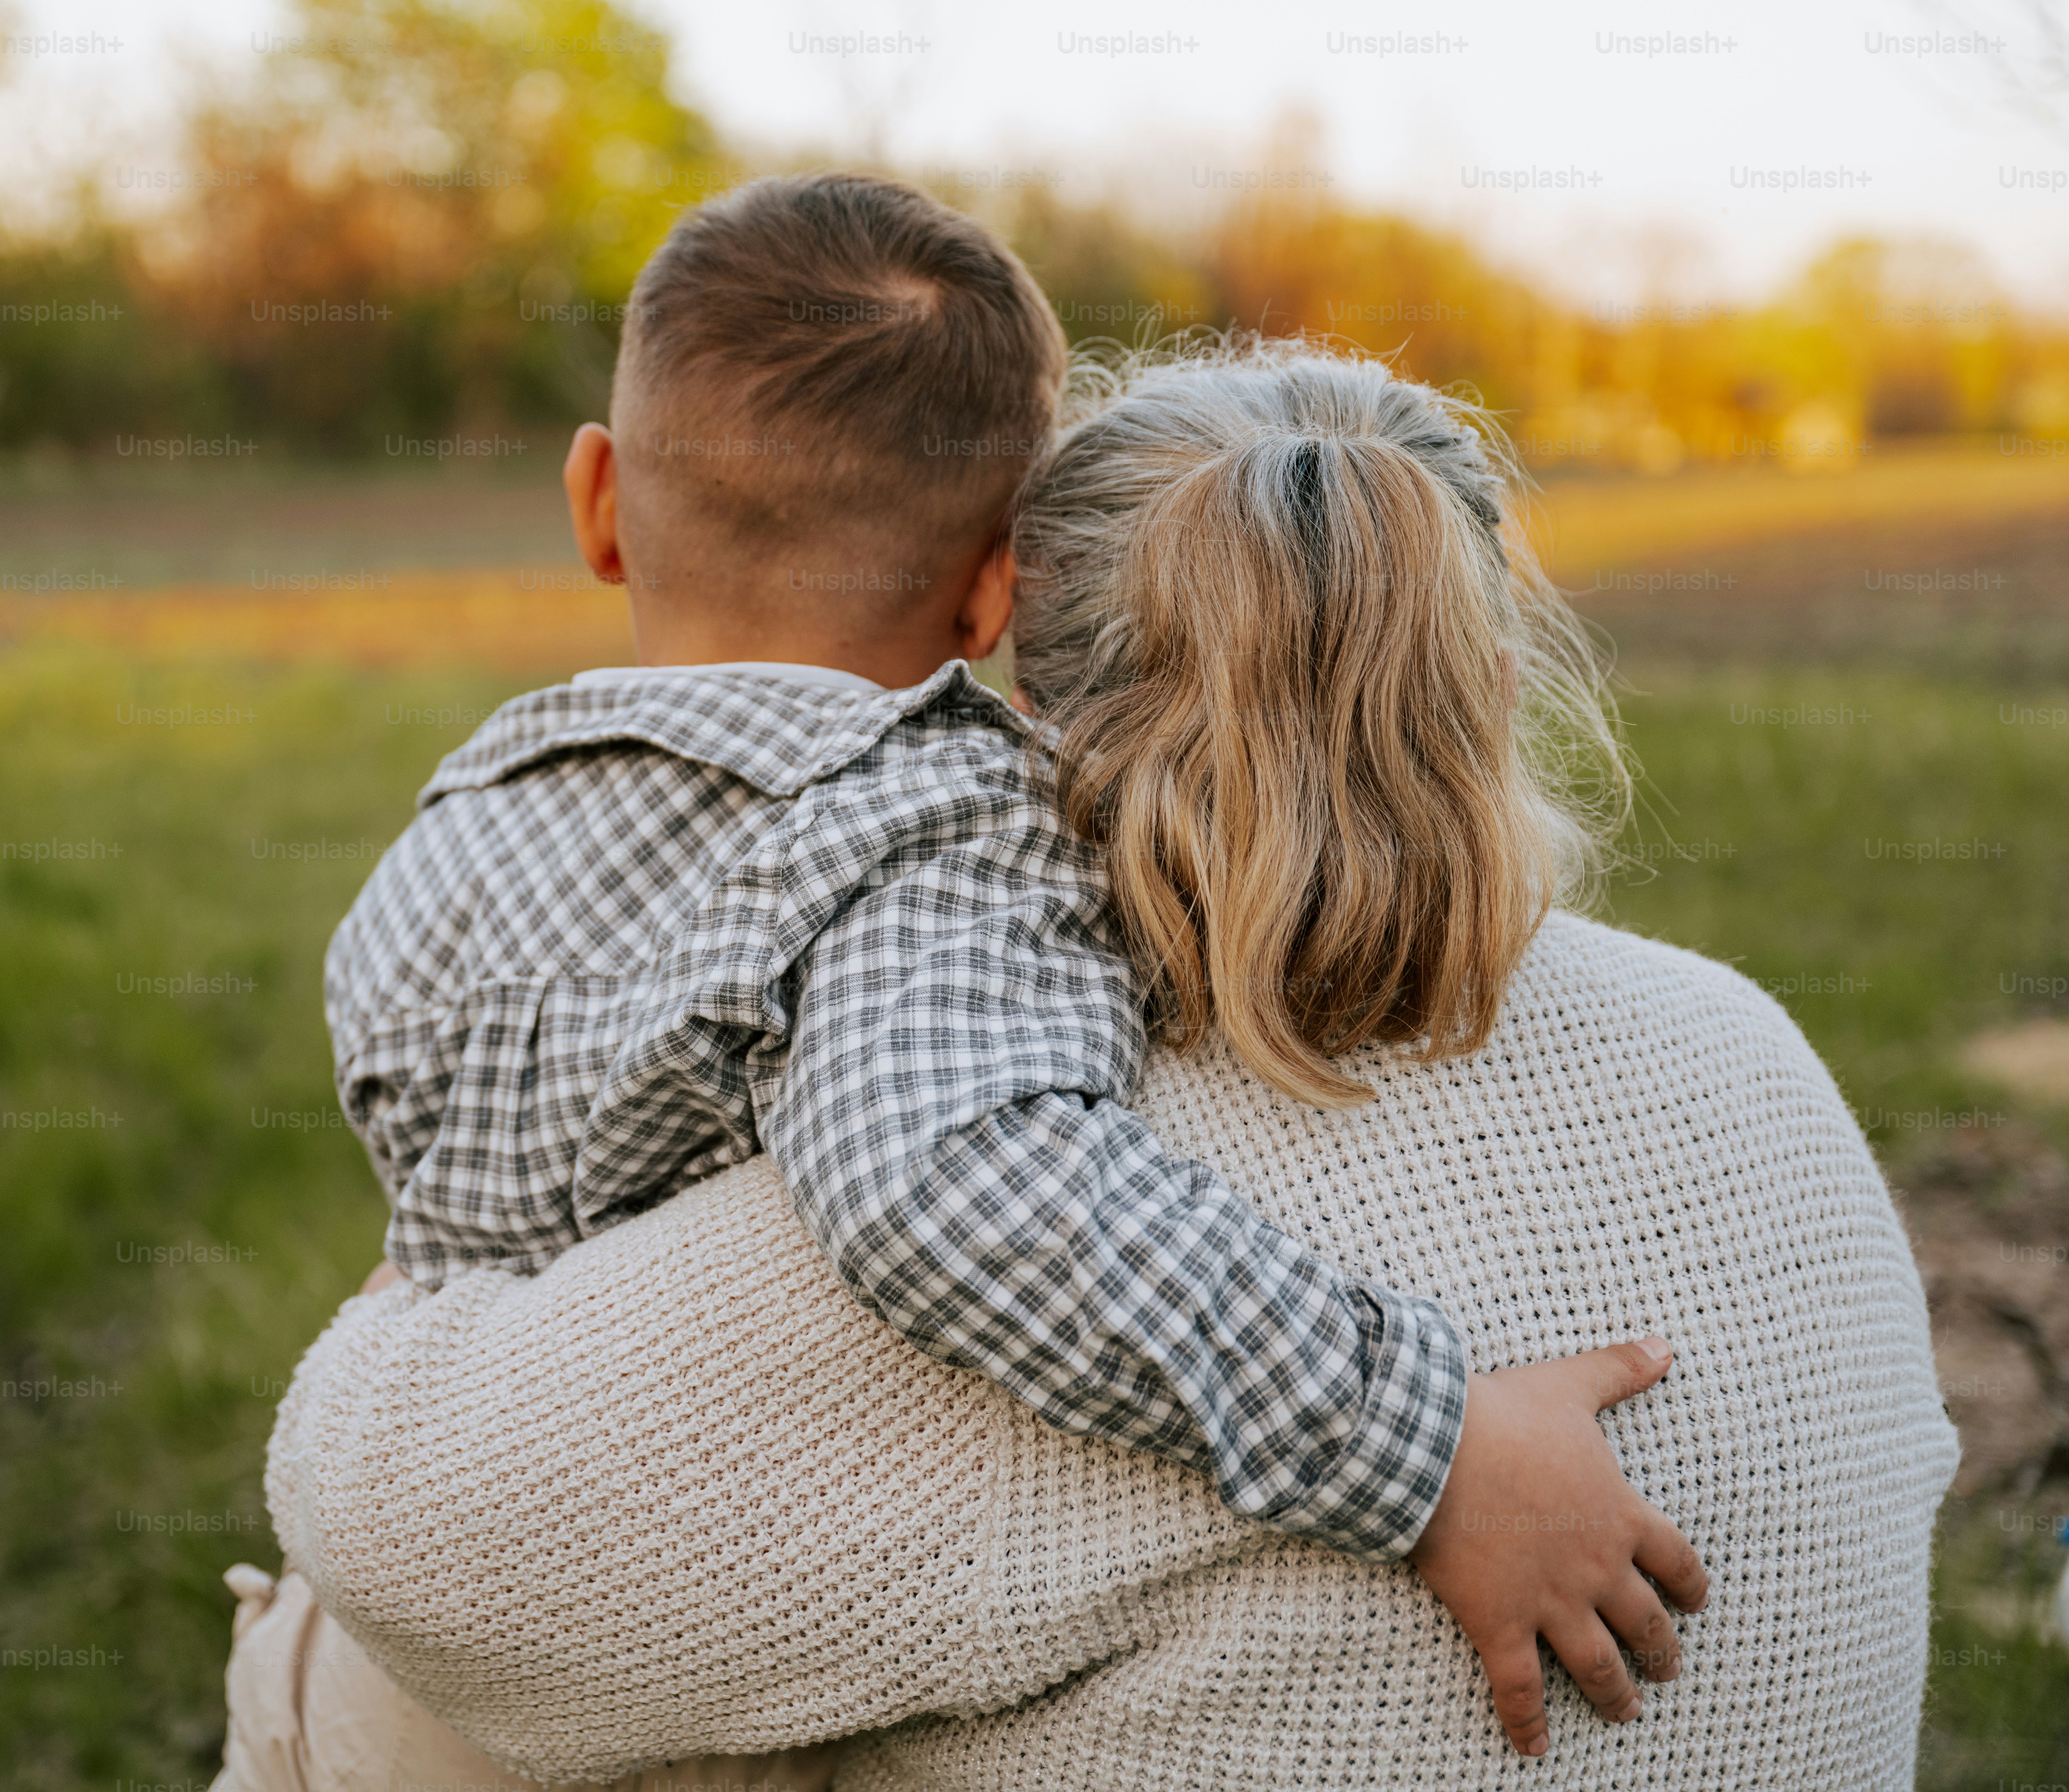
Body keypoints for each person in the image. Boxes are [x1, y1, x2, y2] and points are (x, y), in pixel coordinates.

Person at [237, 339, 1956, 1789]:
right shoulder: (1751, 1052)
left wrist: (432, 1294)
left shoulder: (1030, 1201)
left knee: (365, 1660)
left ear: (1025, 730)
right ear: (1493, 695)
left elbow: (377, 1526)